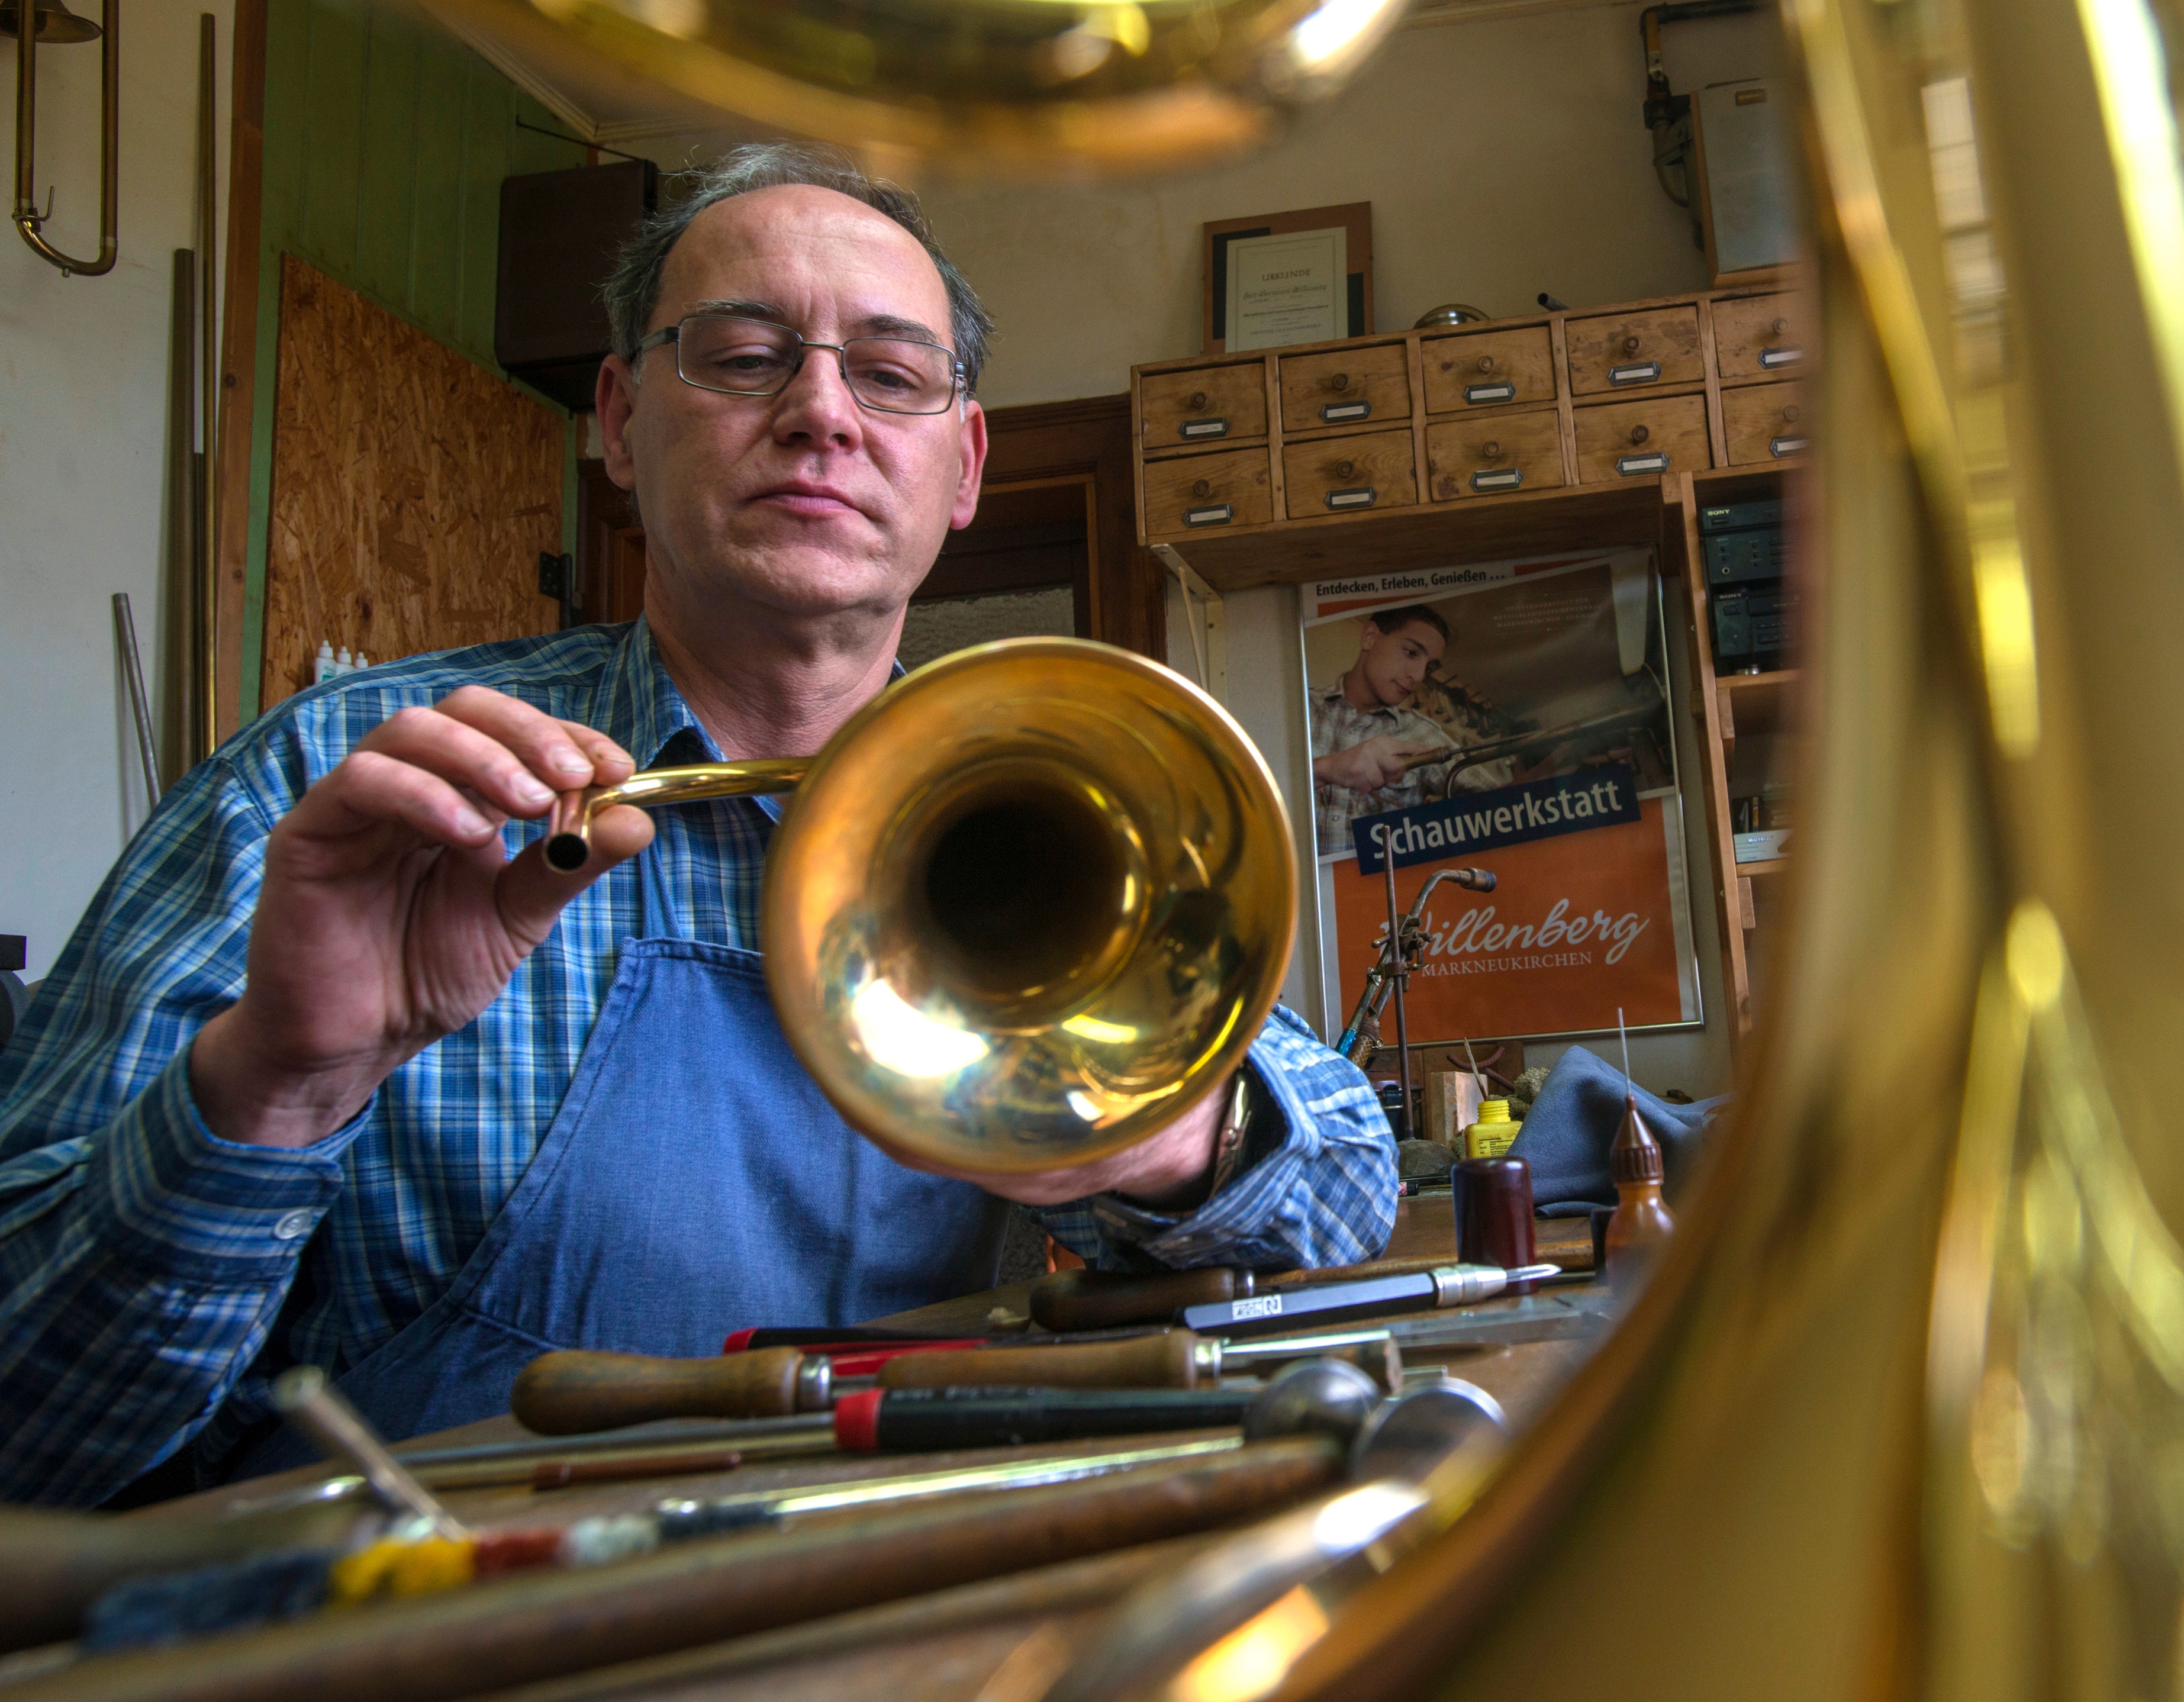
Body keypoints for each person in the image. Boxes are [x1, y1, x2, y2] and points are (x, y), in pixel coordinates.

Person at [0, 145, 1396, 1507]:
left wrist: (1166, 1139)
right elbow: (28, 1435)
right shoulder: (332, 791)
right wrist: (277, 1087)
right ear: (618, 419)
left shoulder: (1091, 800)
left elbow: (1351, 1189)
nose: (822, 414)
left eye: (893, 375)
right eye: (742, 356)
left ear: (961, 468)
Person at [1306, 604, 1514, 856]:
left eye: (1429, 668)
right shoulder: (1297, 710)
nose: (1418, 677)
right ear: (1370, 637)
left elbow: (1505, 806)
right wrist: (1325, 768)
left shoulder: (1424, 734)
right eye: (1411, 652)